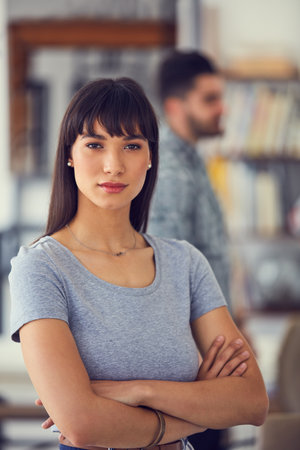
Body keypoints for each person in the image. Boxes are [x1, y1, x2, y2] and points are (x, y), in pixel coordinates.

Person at [9, 77, 268, 450]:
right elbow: (82, 425)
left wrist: (136, 391)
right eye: (95, 145)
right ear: (69, 153)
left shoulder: (186, 263)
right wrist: (197, 402)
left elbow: (252, 402)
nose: (113, 165)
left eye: (131, 145)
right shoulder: (41, 268)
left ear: (150, 156)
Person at [148, 50, 230, 306]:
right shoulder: (169, 171)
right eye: (210, 99)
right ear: (175, 107)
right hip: (198, 339)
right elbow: (172, 277)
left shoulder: (192, 160)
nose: (222, 108)